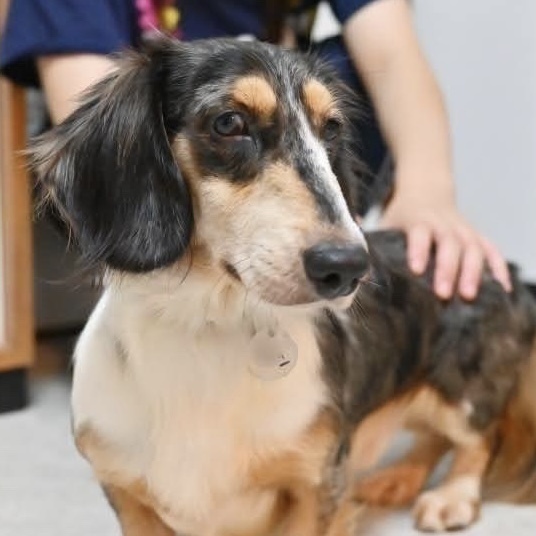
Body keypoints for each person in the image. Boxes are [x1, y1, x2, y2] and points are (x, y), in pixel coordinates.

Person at [0, 0, 511, 300]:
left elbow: (393, 54)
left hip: (279, 136)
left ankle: (326, 224)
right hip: (155, 190)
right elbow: (90, 107)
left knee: (338, 74)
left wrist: (427, 194)